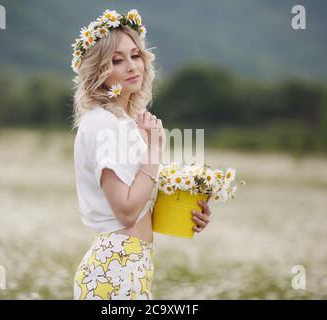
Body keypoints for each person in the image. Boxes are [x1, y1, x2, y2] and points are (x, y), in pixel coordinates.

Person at [71, 9, 212, 300]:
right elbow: (124, 211)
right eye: (117, 60)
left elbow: (139, 205)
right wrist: (155, 149)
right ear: (99, 71)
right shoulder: (101, 124)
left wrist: (188, 212)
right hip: (113, 268)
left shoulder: (125, 121)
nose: (132, 66)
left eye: (135, 56)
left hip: (134, 265)